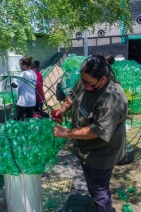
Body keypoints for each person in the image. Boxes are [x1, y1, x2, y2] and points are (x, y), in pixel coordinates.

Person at [53, 55, 128, 211]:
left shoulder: (111, 98)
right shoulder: (87, 79)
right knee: (96, 186)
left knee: (99, 191)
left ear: (103, 79)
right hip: (87, 148)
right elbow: (73, 94)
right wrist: (62, 110)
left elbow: (97, 130)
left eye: (89, 83)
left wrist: (67, 133)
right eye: (83, 81)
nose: (85, 85)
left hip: (101, 153)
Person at [11, 56, 37, 120]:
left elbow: (16, 85)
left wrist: (10, 84)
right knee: (29, 119)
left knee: (17, 117)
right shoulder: (34, 74)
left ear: (24, 66)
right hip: (31, 99)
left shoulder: (24, 73)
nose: (20, 67)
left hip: (24, 100)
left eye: (20, 65)